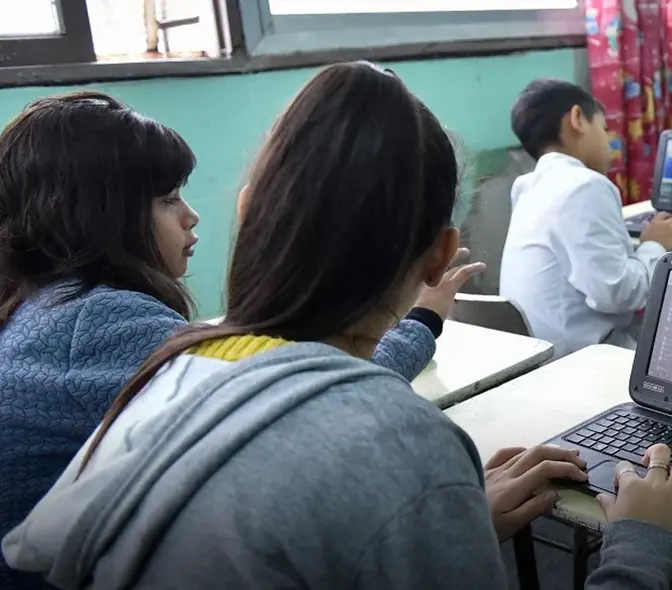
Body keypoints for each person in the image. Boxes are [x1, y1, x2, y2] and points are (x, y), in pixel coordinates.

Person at [3, 62, 672, 589]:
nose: (187, 215)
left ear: (248, 214)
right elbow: (344, 439)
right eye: (167, 200)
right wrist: (641, 545)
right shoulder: (403, 443)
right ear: (440, 254)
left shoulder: (169, 371)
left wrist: (438, 517)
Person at [0, 91, 476, 590]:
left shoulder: (45, 306)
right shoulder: (101, 325)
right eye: (166, 199)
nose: (191, 215)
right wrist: (423, 318)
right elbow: (325, 396)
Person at [500, 78, 672, 358]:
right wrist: (655, 244)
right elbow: (618, 294)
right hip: (585, 361)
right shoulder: (585, 184)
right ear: (578, 119)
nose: (609, 142)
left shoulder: (526, 187)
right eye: (604, 129)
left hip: (541, 353)